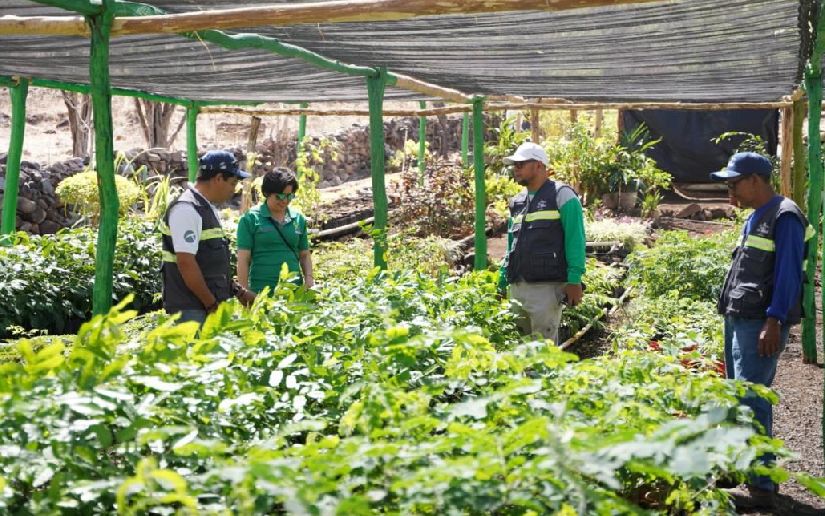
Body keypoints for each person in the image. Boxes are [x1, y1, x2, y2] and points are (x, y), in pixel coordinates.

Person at [711, 152, 812, 509]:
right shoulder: (757, 215)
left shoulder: (785, 216)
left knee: (753, 400)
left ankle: (761, 485)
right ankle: (736, 469)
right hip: (740, 317)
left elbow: (788, 274)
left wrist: (774, 319)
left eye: (733, 184)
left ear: (755, 180)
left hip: (760, 322)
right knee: (737, 397)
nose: (730, 192)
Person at [499, 141, 586, 344]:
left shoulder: (562, 195)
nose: (516, 169)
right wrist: (503, 276)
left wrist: (574, 279)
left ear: (538, 165)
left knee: (543, 350)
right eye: (514, 165)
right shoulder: (517, 202)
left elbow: (575, 238)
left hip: (545, 289)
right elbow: (512, 243)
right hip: (517, 286)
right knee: (519, 350)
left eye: (521, 164)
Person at [160, 150, 256, 324]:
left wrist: (238, 291)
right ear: (218, 179)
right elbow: (186, 262)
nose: (234, 190)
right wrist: (211, 304)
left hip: (204, 307)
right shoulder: (186, 209)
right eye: (233, 183)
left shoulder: (205, 207)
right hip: (192, 309)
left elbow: (209, 263)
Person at [236, 168, 314, 293]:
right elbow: (243, 259)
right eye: (280, 196)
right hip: (261, 293)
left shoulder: (298, 219)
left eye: (289, 196)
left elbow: (304, 254)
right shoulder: (250, 219)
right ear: (267, 193)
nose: (285, 201)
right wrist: (244, 292)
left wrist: (309, 280)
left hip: (294, 293)